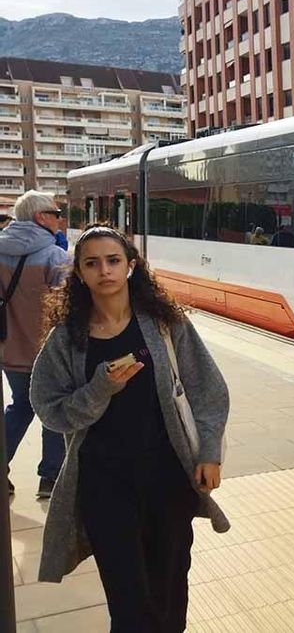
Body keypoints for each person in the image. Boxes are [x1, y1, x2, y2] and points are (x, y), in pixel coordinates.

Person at [30, 224, 230, 631]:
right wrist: (99, 390)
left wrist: (208, 451)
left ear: (131, 267)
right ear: (80, 275)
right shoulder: (67, 340)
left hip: (167, 478)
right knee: (127, 600)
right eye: (92, 263)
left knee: (170, 590)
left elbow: (208, 391)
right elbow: (50, 409)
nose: (104, 270)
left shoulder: (164, 324)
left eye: (113, 260)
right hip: (103, 484)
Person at [0, 191, 70, 498]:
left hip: (8, 349)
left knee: (20, 407)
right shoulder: (54, 257)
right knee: (52, 410)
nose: (60, 218)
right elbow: (67, 310)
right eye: (56, 213)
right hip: (46, 351)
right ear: (41, 217)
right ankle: (50, 477)